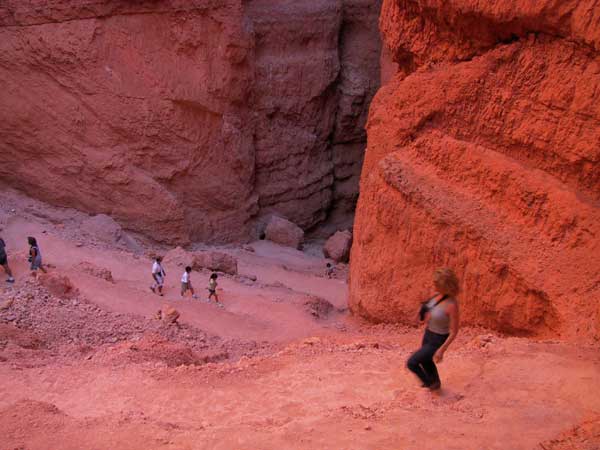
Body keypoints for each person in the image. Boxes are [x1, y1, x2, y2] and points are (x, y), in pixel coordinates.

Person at [407, 268, 460, 391]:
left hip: (438, 338)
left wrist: (442, 350)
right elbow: (429, 310)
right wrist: (422, 317)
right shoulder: (437, 296)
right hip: (428, 333)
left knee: (412, 363)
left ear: (445, 285)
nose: (433, 284)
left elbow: (454, 331)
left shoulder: (452, 305)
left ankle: (429, 385)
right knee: (425, 360)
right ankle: (435, 383)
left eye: (436, 283)